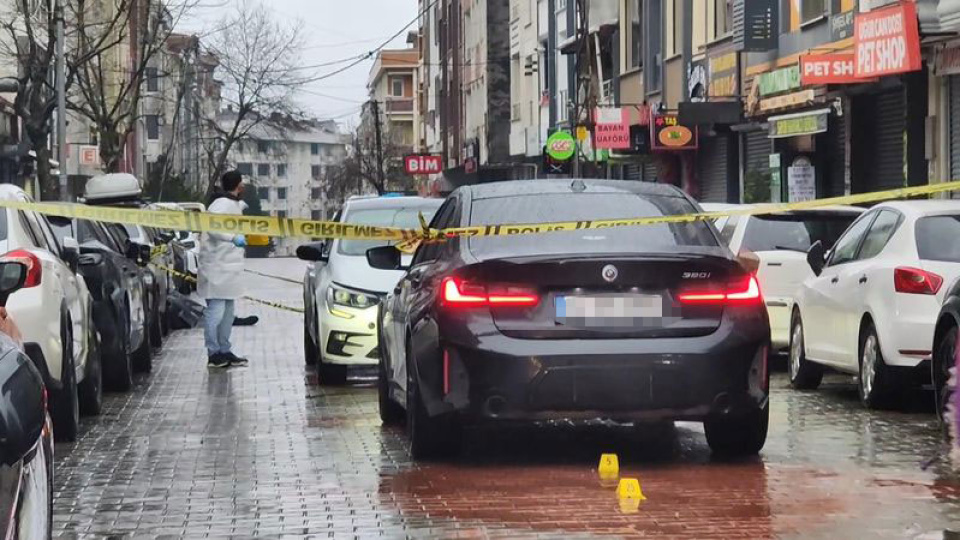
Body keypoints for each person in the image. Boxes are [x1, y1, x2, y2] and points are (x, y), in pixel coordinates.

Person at [199, 170, 250, 368]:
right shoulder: (220, 205)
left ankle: (224, 349)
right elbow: (212, 228)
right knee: (216, 312)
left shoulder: (233, 204)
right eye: (242, 183)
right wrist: (232, 238)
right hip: (216, 267)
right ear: (238, 185)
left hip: (229, 269)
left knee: (228, 313)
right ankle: (213, 353)